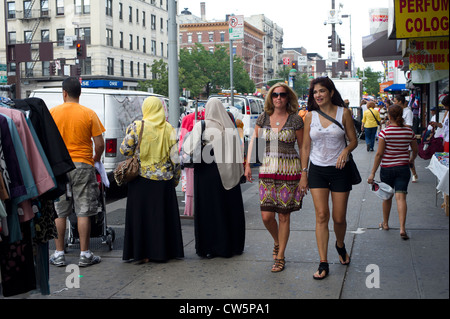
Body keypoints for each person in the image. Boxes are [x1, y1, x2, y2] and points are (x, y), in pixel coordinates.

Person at [299, 76, 358, 280]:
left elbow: (353, 140)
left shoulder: (344, 113)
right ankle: (323, 262)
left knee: (339, 218)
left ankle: (340, 245)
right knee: (322, 215)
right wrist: (303, 173)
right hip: (317, 170)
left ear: (331, 92)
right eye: (315, 92)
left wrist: (346, 151)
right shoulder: (310, 116)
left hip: (340, 170)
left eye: (322, 91)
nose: (318, 95)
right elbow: (306, 146)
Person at [244, 82, 304, 273]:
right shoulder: (263, 117)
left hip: (290, 171)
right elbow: (256, 141)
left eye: (283, 95)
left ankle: (280, 256)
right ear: (271, 98)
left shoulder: (295, 120)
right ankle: (277, 241)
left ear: (288, 98)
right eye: (275, 95)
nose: (279, 98)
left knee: (284, 215)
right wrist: (247, 163)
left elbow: (303, 147)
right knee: (267, 215)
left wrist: (305, 173)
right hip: (267, 170)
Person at [49, 77, 105, 267]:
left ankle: (58, 254)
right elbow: (99, 144)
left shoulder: (53, 113)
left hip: (60, 166)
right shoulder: (89, 114)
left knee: (60, 211)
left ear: (64, 93)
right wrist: (95, 159)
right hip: (83, 164)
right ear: (79, 93)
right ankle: (85, 254)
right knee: (83, 210)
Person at [120, 97, 183, 263]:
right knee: (161, 218)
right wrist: (175, 180)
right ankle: (162, 251)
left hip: (141, 180)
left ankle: (142, 253)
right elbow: (176, 159)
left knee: (142, 218)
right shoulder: (169, 129)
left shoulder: (137, 126)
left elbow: (125, 150)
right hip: (163, 182)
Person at [183, 98, 245, 259]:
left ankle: (210, 247)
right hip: (228, 177)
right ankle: (231, 246)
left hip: (206, 174)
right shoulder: (229, 127)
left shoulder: (201, 126)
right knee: (227, 210)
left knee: (208, 211)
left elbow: (187, 148)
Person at [367, 104, 418, 240]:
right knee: (401, 198)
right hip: (403, 168)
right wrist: (411, 159)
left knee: (387, 197)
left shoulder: (385, 132)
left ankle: (385, 223)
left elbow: (379, 154)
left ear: (389, 116)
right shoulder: (409, 132)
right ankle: (402, 228)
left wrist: (372, 173)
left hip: (387, 169)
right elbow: (415, 150)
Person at [394, 95, 418, 182]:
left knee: (407, 158)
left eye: (395, 101)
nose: (394, 103)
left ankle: (414, 173)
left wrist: (397, 124)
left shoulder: (408, 112)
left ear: (400, 101)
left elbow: (409, 124)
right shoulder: (398, 110)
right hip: (397, 136)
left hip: (405, 136)